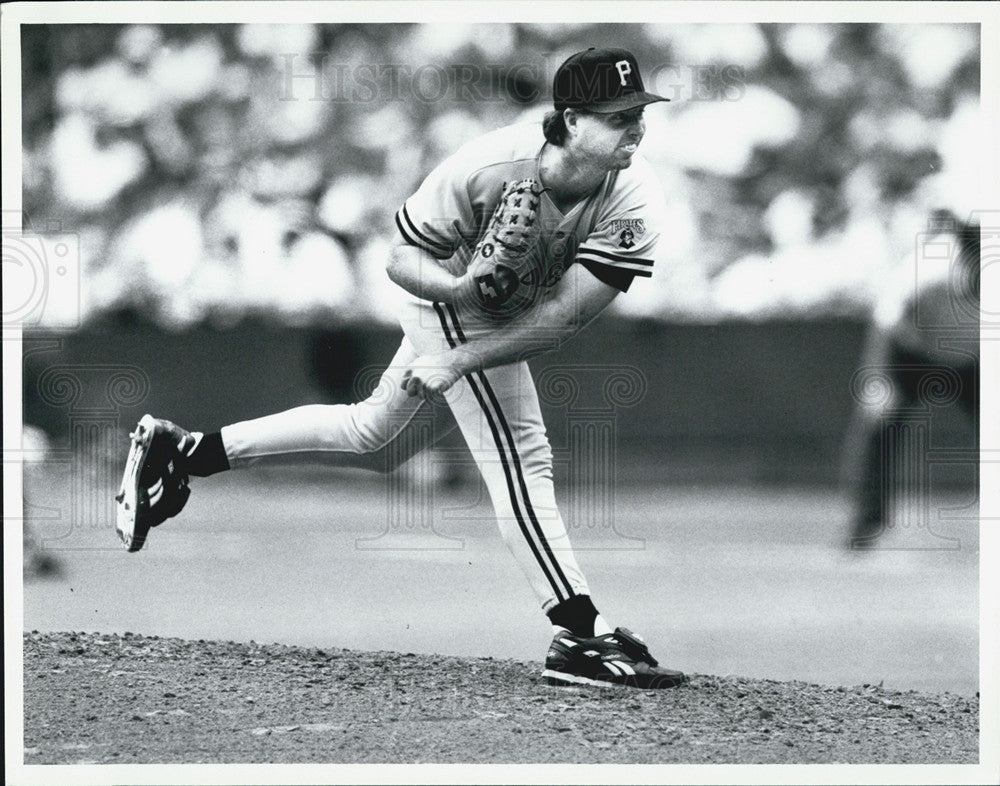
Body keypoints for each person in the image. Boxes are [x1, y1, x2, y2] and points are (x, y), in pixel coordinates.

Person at [116, 48, 687, 689]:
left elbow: (561, 319)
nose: (635, 126)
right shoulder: (489, 164)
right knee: (523, 454)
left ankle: (186, 452)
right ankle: (578, 632)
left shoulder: (635, 196)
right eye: (618, 116)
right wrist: (462, 291)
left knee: (372, 436)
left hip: (503, 316)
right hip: (441, 288)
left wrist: (459, 360)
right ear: (573, 120)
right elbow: (401, 259)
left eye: (638, 111)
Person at [844, 211, 979, 548]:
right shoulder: (925, 271)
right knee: (878, 426)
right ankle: (867, 522)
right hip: (909, 354)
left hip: (965, 361)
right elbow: (885, 324)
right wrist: (879, 380)